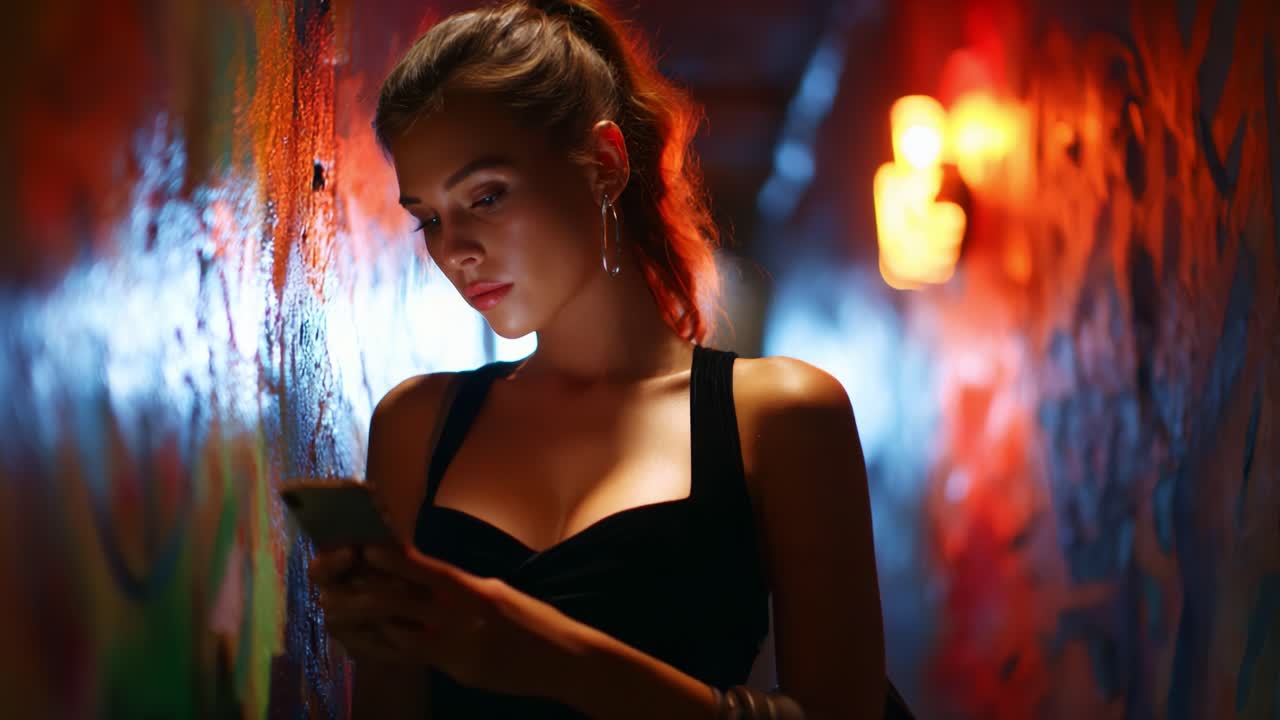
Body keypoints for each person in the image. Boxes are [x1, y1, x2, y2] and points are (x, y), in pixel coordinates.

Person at [308, 1, 912, 717]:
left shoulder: (781, 415)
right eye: (430, 218)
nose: (454, 249)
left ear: (604, 163)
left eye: (486, 196)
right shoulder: (417, 422)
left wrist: (557, 660)